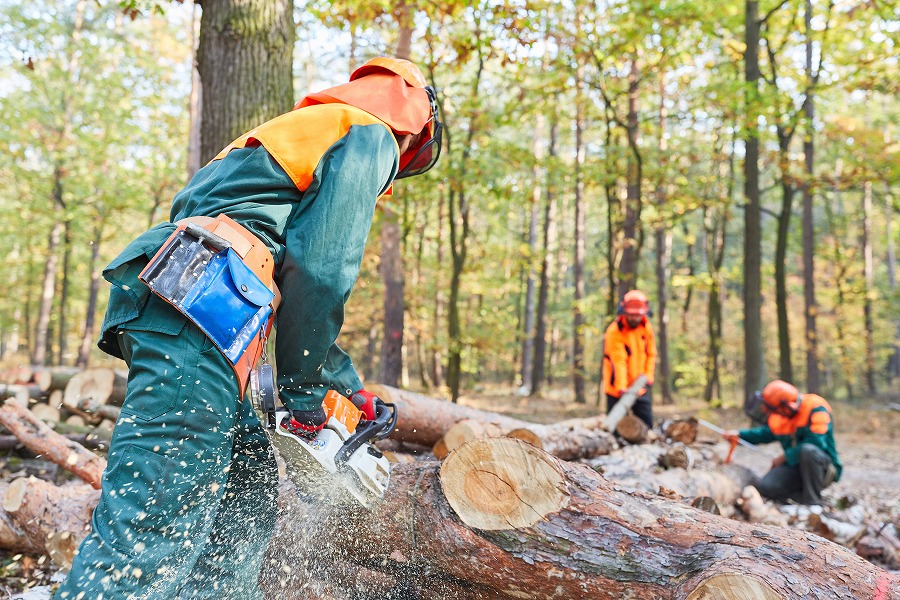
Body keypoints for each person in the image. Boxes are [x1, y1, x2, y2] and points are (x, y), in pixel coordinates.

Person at [56, 56, 442, 598]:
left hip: (194, 305)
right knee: (151, 527)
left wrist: (344, 386)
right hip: (202, 313)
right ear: (415, 121)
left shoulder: (298, 136)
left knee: (247, 487)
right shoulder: (369, 133)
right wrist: (304, 394)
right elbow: (322, 269)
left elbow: (294, 275)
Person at [724, 379, 842, 506]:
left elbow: (817, 442)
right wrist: (740, 435)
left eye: (775, 410)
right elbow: (765, 434)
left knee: (808, 450)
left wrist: (784, 457)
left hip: (824, 468)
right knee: (767, 486)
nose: (773, 414)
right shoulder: (781, 417)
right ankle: (798, 499)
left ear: (787, 406)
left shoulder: (816, 407)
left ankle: (813, 503)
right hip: (794, 467)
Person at [602, 290, 657, 429]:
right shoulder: (615, 331)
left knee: (646, 426)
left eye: (638, 315)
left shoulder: (646, 328)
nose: (635, 319)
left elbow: (651, 353)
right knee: (614, 430)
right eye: (631, 315)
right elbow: (618, 360)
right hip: (617, 388)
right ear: (624, 311)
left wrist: (648, 375)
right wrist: (621, 387)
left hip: (640, 387)